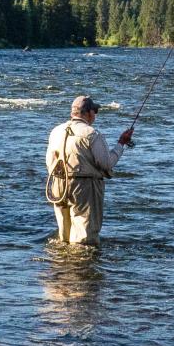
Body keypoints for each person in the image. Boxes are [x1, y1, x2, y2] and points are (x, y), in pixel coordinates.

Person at [44, 95, 134, 245]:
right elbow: (106, 164)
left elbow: (49, 161)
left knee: (64, 235)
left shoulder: (56, 131)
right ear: (89, 113)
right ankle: (82, 266)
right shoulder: (92, 134)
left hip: (58, 184)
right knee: (85, 237)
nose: (95, 116)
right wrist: (121, 143)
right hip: (84, 187)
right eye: (95, 112)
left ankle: (61, 265)